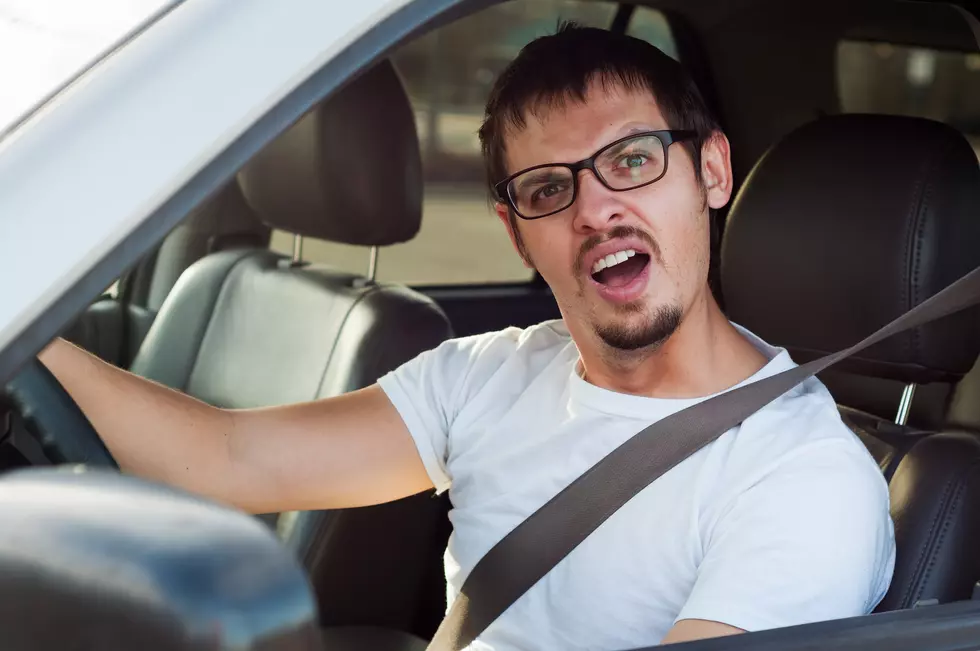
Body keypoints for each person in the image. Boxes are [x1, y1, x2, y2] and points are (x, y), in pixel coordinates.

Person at [39, 23, 894, 650]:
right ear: (517, 231)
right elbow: (229, 460)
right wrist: (30, 336)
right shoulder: (491, 375)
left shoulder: (803, 479)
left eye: (632, 160)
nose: (596, 210)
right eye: (549, 188)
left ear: (711, 171)